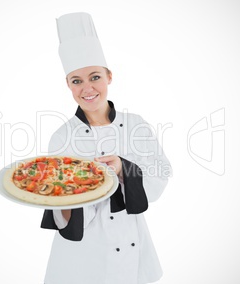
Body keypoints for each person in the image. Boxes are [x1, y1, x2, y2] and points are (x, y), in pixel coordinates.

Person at [41, 12, 172, 284]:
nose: (87, 88)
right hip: (81, 256)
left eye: (95, 77)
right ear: (68, 84)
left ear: (109, 76)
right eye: (76, 80)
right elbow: (58, 204)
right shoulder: (61, 137)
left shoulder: (136, 125)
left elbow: (159, 178)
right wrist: (71, 189)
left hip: (133, 249)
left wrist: (124, 169)